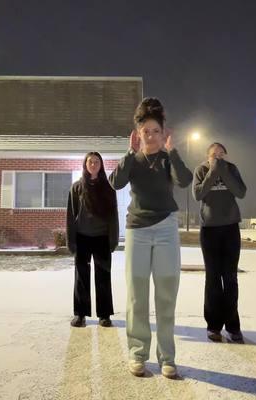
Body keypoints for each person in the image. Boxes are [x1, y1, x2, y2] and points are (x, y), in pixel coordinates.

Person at [109, 97, 193, 378]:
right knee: (137, 294)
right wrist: (129, 153)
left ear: (163, 133)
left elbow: (184, 180)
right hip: (138, 230)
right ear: (138, 133)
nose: (152, 136)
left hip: (167, 228)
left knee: (167, 293)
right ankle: (138, 353)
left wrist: (174, 152)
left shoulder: (167, 158)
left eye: (157, 131)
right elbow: (115, 182)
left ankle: (167, 357)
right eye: (147, 131)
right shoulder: (134, 159)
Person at [192, 142, 246, 343]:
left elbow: (240, 192)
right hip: (209, 230)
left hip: (231, 227)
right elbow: (198, 194)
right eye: (214, 154)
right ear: (208, 157)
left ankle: (233, 326)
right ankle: (213, 326)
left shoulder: (232, 169)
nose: (218, 157)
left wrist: (224, 171)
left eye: (222, 154)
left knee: (230, 278)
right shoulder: (201, 170)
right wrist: (213, 172)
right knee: (213, 278)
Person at [66, 151, 119, 328]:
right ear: (85, 165)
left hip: (102, 238)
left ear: (101, 165)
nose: (94, 164)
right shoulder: (77, 187)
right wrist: (71, 240)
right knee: (81, 278)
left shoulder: (108, 187)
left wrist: (113, 238)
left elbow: (113, 216)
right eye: (90, 161)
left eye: (97, 161)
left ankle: (104, 315)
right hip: (82, 238)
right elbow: (71, 215)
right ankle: (80, 314)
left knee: (103, 276)